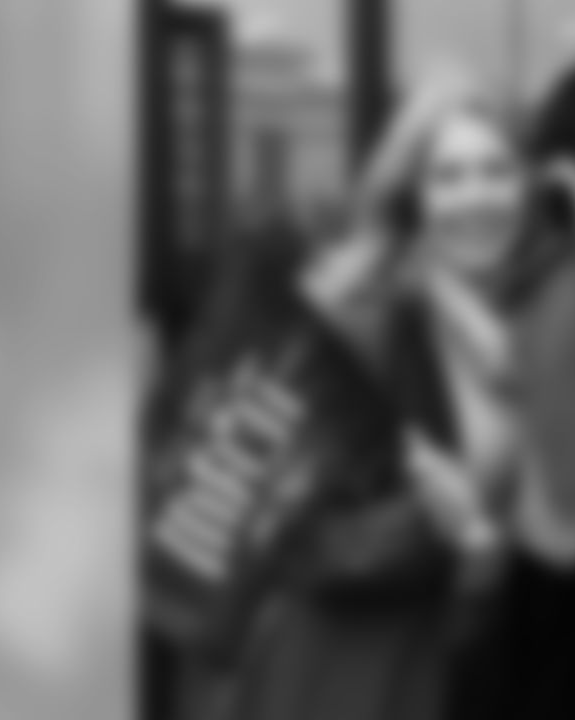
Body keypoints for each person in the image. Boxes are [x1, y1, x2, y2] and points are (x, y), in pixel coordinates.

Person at [191, 71, 538, 720]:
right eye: (449, 176)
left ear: (528, 184)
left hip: (478, 669)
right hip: (355, 675)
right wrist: (447, 527)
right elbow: (293, 537)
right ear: (412, 197)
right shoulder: (361, 321)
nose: (478, 196)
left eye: (497, 170)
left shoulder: (540, 323)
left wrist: (481, 542)